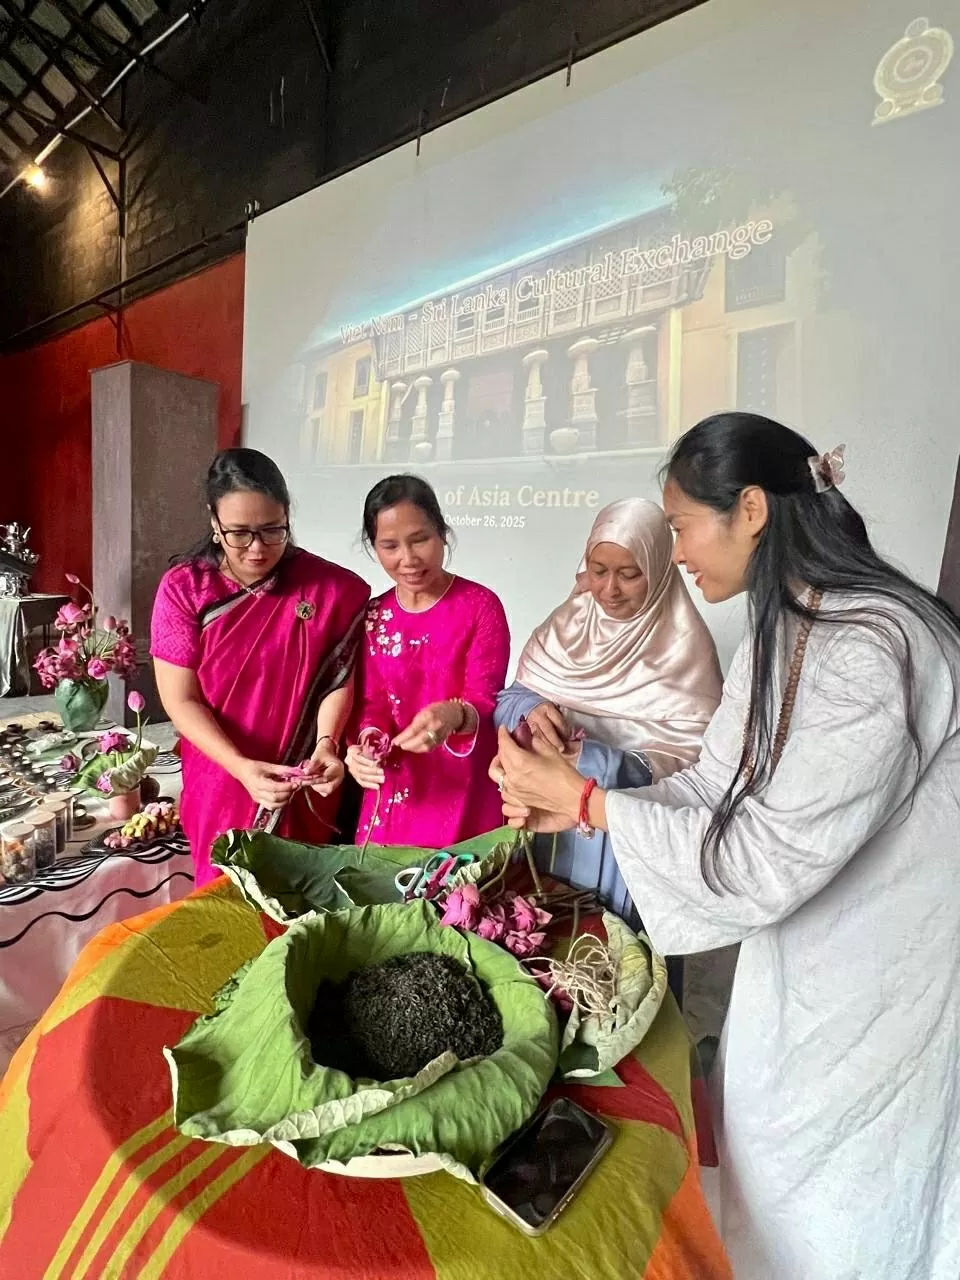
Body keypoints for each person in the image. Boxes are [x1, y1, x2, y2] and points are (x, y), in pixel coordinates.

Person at [490, 412, 960, 1280]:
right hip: (810, 962)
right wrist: (574, 809)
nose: (675, 553)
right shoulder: (791, 625)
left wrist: (594, 801)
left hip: (881, 982)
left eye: (677, 529)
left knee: (856, 1206)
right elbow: (716, 787)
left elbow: (763, 856)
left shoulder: (873, 644)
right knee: (780, 1178)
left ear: (749, 509)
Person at [495, 497, 721, 923]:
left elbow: (701, 767)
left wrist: (599, 761)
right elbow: (510, 700)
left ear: (657, 569)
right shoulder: (569, 623)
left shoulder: (686, 648)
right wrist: (533, 707)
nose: (609, 590)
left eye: (629, 574)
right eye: (598, 572)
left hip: (631, 831)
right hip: (555, 825)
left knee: (622, 953)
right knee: (550, 938)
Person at [151, 448, 370, 884]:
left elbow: (337, 679)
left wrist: (327, 744)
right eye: (239, 533)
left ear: (287, 515)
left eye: (273, 530)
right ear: (214, 523)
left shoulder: (333, 589)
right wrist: (239, 765)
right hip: (221, 775)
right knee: (221, 905)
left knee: (302, 908)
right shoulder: (185, 589)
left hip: (305, 781)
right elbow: (180, 698)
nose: (257, 548)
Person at [345, 474, 509, 848]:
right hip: (396, 784)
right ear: (374, 547)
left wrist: (452, 716)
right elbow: (372, 704)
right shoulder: (374, 615)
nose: (408, 559)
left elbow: (484, 698)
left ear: (442, 533)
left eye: (420, 540)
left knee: (457, 896)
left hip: (465, 784)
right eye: (389, 546)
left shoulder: (480, 606)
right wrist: (366, 744)